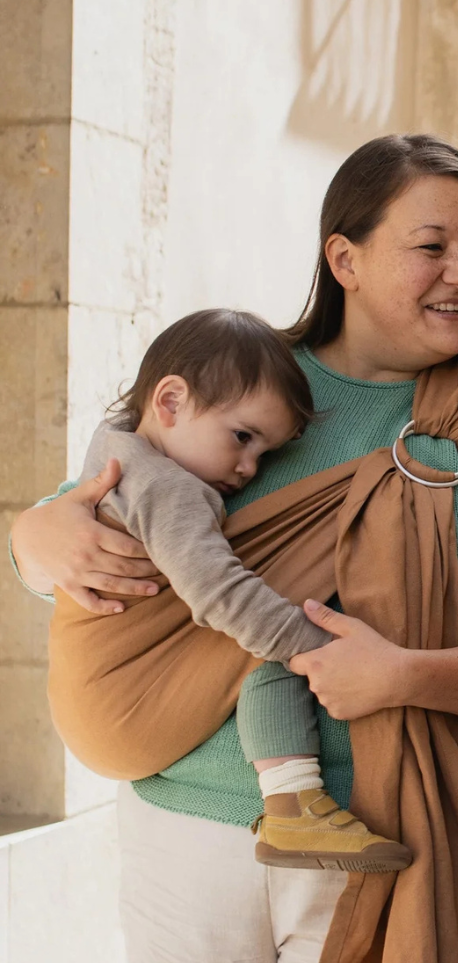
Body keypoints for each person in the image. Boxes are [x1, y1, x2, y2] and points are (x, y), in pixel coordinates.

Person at [10, 134, 458, 962]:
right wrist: (33, 537)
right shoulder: (245, 382)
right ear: (344, 259)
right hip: (191, 830)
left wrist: (405, 675)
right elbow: (117, 503)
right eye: (431, 248)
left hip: (407, 841)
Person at [59, 307, 412, 872]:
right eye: (242, 437)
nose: (249, 467)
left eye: (264, 453)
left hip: (90, 707)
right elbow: (217, 591)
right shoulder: (167, 489)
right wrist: (310, 647)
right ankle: (293, 803)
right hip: (121, 704)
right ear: (169, 402)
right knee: (268, 641)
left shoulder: (115, 445)